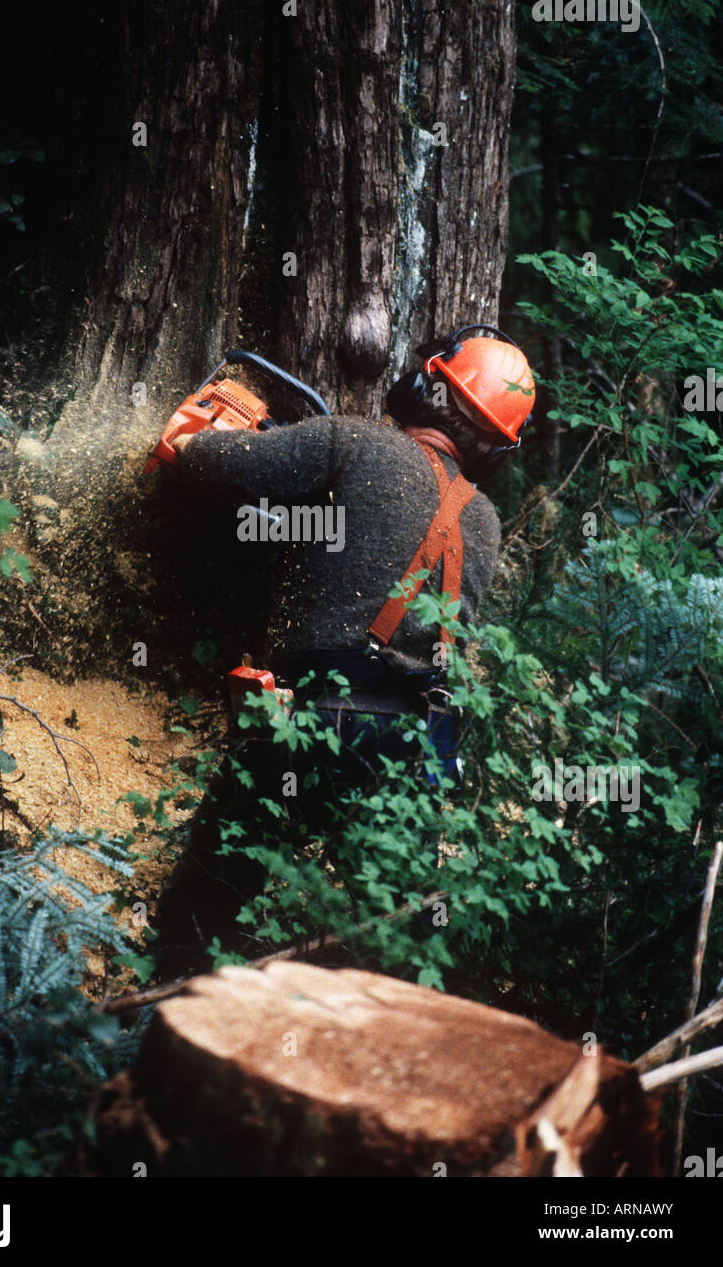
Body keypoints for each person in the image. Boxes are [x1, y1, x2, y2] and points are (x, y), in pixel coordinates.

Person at [152, 325, 535, 976]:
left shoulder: (353, 441)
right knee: (383, 954)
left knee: (204, 909)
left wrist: (193, 441)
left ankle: (177, 1013)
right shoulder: (486, 522)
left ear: (427, 388)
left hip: (323, 721)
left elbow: (212, 465)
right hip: (422, 748)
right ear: (495, 448)